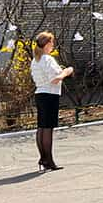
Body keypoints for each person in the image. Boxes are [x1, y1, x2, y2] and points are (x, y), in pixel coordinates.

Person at [29, 32, 74, 171]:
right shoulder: (47, 59)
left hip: (40, 94)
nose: (53, 45)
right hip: (49, 94)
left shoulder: (35, 59)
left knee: (41, 127)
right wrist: (67, 71)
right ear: (47, 44)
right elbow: (54, 79)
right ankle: (49, 160)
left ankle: (43, 158)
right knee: (48, 128)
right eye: (52, 43)